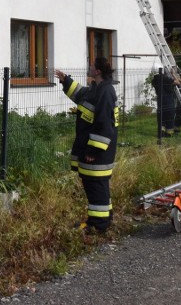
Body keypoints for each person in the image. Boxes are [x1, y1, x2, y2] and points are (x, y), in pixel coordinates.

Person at [55, 58, 118, 234]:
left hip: (97, 153)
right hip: (95, 151)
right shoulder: (97, 89)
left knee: (95, 186)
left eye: (92, 66)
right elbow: (82, 95)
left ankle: (98, 225)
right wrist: (65, 80)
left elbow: (105, 125)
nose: (89, 67)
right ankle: (104, 218)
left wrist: (94, 150)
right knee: (98, 187)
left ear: (97, 71)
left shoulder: (105, 92)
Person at [151, 65, 177, 136]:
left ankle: (161, 133)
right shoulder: (165, 79)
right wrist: (173, 74)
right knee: (169, 117)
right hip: (168, 100)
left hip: (160, 101)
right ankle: (169, 134)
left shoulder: (154, 80)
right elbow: (177, 82)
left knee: (161, 118)